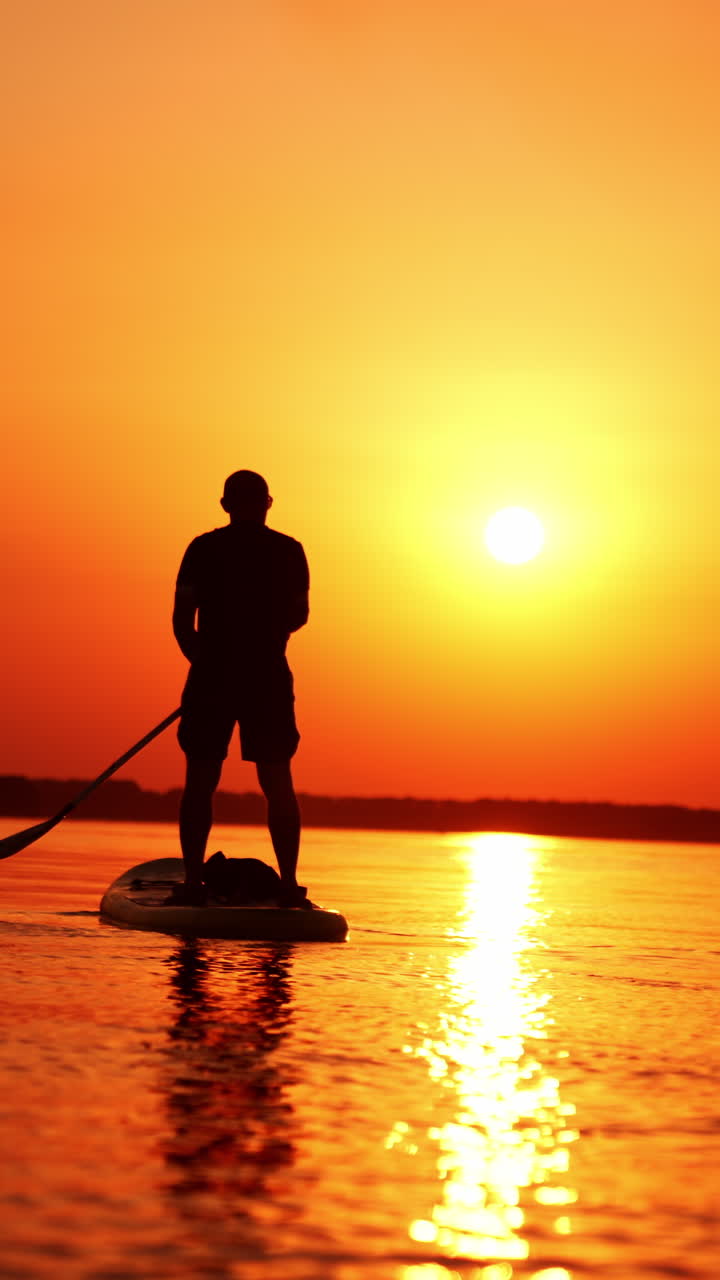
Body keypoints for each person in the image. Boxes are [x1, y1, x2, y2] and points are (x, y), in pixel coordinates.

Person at [170, 470, 310, 906]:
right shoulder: (288, 551)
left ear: (226, 505)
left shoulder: (205, 548)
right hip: (261, 675)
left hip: (231, 674)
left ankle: (195, 883)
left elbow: (181, 622)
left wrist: (208, 664)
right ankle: (287, 885)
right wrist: (226, 662)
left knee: (202, 779)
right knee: (275, 780)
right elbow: (299, 616)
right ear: (268, 503)